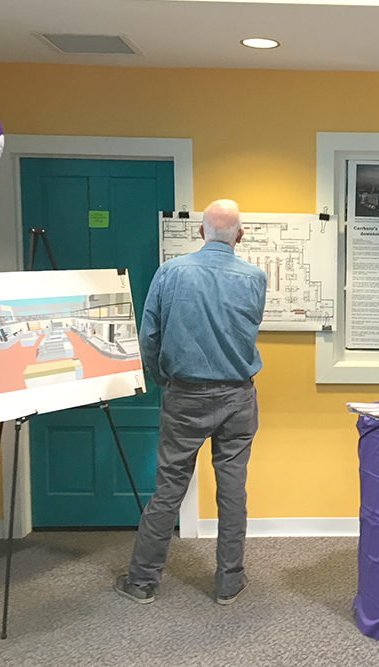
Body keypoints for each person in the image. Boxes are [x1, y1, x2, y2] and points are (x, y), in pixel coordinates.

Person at [115, 199, 266, 606]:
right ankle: (229, 582)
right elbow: (249, 327)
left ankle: (142, 581)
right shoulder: (255, 277)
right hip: (238, 396)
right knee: (232, 490)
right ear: (240, 235)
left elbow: (149, 337)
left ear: (201, 232)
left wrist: (162, 379)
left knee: (169, 489)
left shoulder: (171, 272)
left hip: (184, 395)